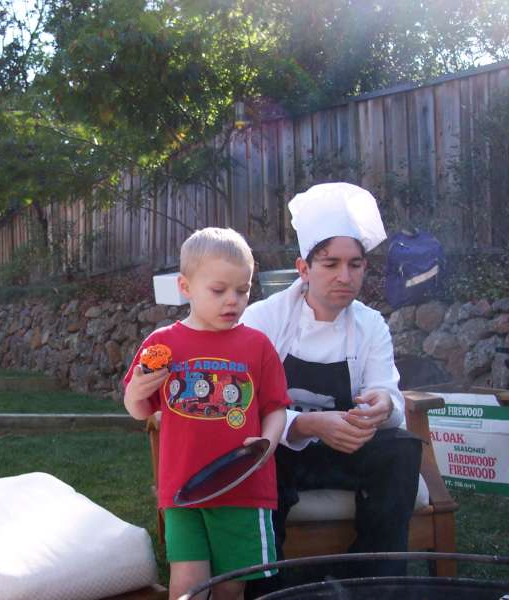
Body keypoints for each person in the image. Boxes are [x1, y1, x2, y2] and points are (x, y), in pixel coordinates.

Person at [241, 182, 423, 586]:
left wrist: (383, 405)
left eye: (355, 264)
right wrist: (307, 424)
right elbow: (245, 409)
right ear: (303, 268)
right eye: (330, 264)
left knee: (402, 450)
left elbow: (389, 395)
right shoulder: (262, 320)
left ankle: (375, 584)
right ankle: (269, 586)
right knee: (260, 454)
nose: (345, 276)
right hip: (285, 451)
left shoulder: (371, 325)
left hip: (347, 451)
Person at [124, 227, 290, 600]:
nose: (233, 300)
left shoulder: (258, 345)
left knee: (231, 587)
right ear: (186, 287)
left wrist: (267, 443)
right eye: (219, 290)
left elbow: (276, 408)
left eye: (243, 290)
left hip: (241, 488)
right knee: (187, 584)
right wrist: (136, 391)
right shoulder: (162, 344)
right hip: (182, 489)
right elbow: (138, 410)